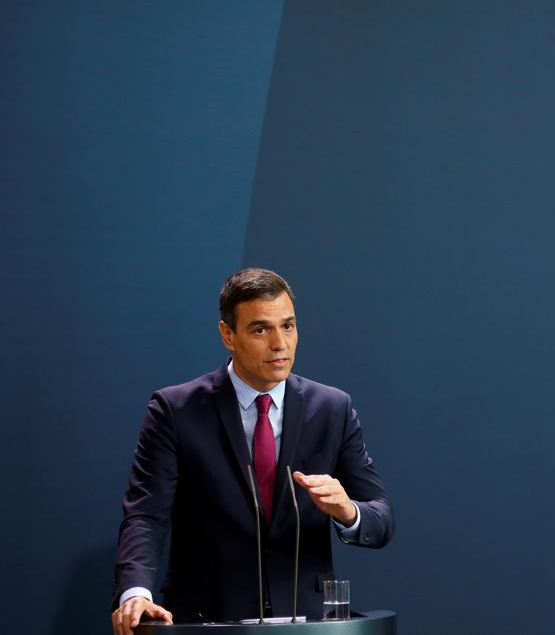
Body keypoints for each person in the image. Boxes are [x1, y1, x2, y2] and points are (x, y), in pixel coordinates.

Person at [111, 269, 395, 634]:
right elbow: (145, 516)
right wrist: (135, 592)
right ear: (228, 335)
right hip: (207, 620)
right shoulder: (174, 410)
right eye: (261, 329)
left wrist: (348, 511)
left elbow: (382, 518)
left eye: (288, 326)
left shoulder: (332, 409)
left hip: (306, 623)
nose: (280, 344)